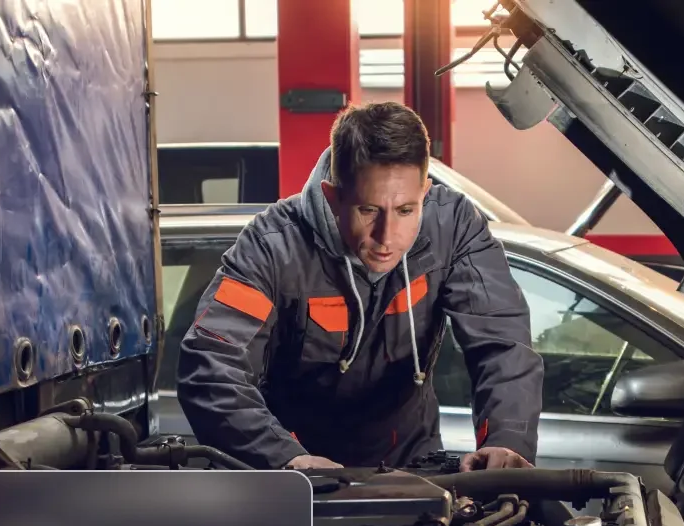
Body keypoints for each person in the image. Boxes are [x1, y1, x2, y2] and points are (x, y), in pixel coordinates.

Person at [176, 101, 543, 472]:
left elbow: (503, 344)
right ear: (334, 196)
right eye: (368, 210)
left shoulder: (455, 227)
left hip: (411, 467)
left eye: (405, 210)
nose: (387, 236)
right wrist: (284, 457)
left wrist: (505, 439)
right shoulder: (271, 247)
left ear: (425, 191)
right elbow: (211, 365)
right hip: (295, 471)